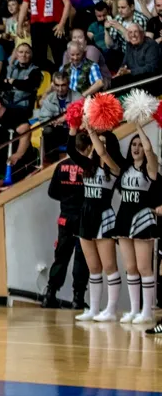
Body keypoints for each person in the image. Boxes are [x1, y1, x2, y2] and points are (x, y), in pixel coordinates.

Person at [67, 125, 124, 322]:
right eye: (97, 143)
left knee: (109, 265)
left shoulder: (114, 167)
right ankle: (93, 308)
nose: (100, 146)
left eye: (104, 143)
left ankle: (111, 309)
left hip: (104, 216)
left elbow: (102, 152)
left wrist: (92, 131)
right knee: (93, 267)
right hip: (86, 215)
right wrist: (74, 128)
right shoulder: (88, 167)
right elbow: (70, 150)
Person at [113, 127, 158, 324]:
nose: (137, 148)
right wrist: (90, 131)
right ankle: (133, 310)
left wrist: (138, 126)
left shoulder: (150, 168)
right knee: (130, 267)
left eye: (140, 144)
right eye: (133, 144)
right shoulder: (124, 168)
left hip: (143, 219)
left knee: (144, 267)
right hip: (124, 218)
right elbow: (104, 154)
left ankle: (147, 311)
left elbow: (149, 151)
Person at [43, 133, 89, 309]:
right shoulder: (88, 166)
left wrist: (66, 199)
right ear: (88, 148)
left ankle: (50, 293)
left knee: (61, 257)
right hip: (83, 218)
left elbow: (52, 192)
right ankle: (78, 298)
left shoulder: (61, 166)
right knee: (81, 258)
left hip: (64, 217)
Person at [19, 0, 72, 72]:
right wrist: (19, 25)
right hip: (37, 25)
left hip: (55, 25)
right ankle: (50, 78)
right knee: (38, 59)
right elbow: (24, 5)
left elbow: (67, 4)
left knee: (60, 56)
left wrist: (62, 24)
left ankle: (62, 80)